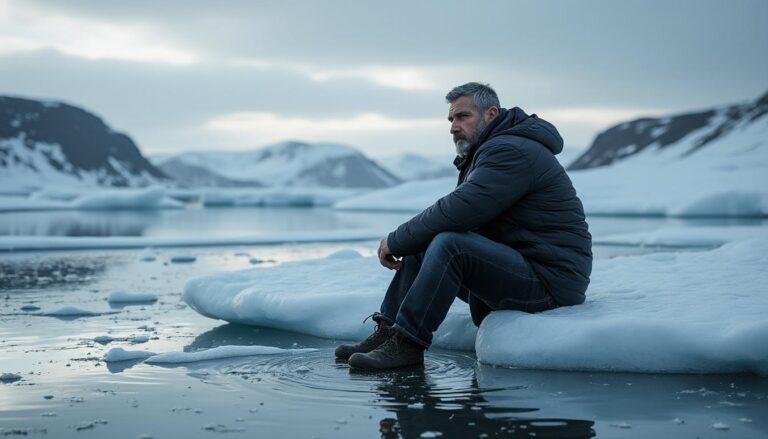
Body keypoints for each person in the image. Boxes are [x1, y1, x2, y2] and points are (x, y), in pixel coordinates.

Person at [336, 82, 592, 369]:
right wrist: (409, 240)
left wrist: (395, 240)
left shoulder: (511, 151)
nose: (453, 127)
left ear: (491, 114)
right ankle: (387, 333)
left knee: (450, 244)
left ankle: (407, 345)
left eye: (463, 116)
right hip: (527, 267)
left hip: (552, 282)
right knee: (427, 241)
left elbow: (461, 209)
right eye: (451, 119)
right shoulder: (493, 148)